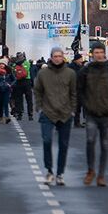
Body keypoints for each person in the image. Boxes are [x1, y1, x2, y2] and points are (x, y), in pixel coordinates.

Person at [79, 43, 108, 187]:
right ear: (92, 54)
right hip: (91, 112)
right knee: (90, 141)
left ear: (104, 53)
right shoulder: (86, 70)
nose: (98, 55)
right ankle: (90, 170)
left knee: (105, 144)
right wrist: (86, 104)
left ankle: (101, 175)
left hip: (106, 113)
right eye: (96, 52)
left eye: (100, 52)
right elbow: (80, 90)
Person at [36, 47, 77, 186]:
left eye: (60, 56)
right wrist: (39, 107)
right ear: (51, 57)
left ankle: (60, 173)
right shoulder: (43, 73)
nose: (58, 58)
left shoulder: (70, 73)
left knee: (63, 145)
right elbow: (38, 90)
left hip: (65, 113)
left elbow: (74, 92)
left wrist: (73, 109)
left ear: (63, 57)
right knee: (46, 140)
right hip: (48, 112)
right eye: (55, 56)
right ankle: (49, 171)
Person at [12, 55, 35, 120]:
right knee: (29, 99)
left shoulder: (15, 64)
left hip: (19, 82)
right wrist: (33, 84)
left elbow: (13, 72)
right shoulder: (28, 63)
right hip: (27, 81)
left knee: (19, 99)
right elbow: (31, 73)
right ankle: (30, 114)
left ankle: (20, 114)